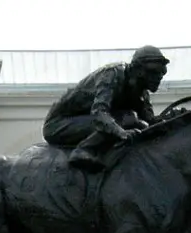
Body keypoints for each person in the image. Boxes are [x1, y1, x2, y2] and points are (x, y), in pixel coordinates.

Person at [42, 45, 171, 171]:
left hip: (87, 122)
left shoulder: (141, 90)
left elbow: (150, 122)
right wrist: (121, 132)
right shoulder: (112, 74)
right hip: (58, 125)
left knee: (140, 124)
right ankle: (84, 150)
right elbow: (99, 112)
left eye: (162, 72)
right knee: (128, 119)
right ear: (138, 70)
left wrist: (172, 118)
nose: (159, 77)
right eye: (154, 71)